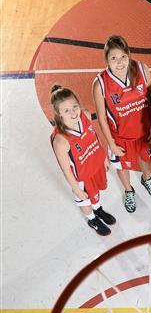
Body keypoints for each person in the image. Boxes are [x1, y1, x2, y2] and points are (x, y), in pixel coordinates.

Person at [93, 35, 151, 213]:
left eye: (123, 56)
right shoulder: (100, 84)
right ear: (106, 60)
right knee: (121, 165)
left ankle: (147, 179)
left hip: (144, 130)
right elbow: (101, 118)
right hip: (120, 136)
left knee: (146, 157)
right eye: (113, 58)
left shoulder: (141, 69)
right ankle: (129, 190)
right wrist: (111, 144)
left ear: (129, 54)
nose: (120, 62)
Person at [50, 85, 116, 236]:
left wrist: (103, 158)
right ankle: (92, 219)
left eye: (74, 106)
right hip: (81, 177)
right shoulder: (61, 141)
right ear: (58, 114)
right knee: (84, 200)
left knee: (96, 192)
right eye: (67, 111)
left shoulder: (85, 115)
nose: (73, 112)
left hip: (94, 165)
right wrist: (77, 189)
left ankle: (98, 209)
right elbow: (66, 169)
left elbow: (95, 137)